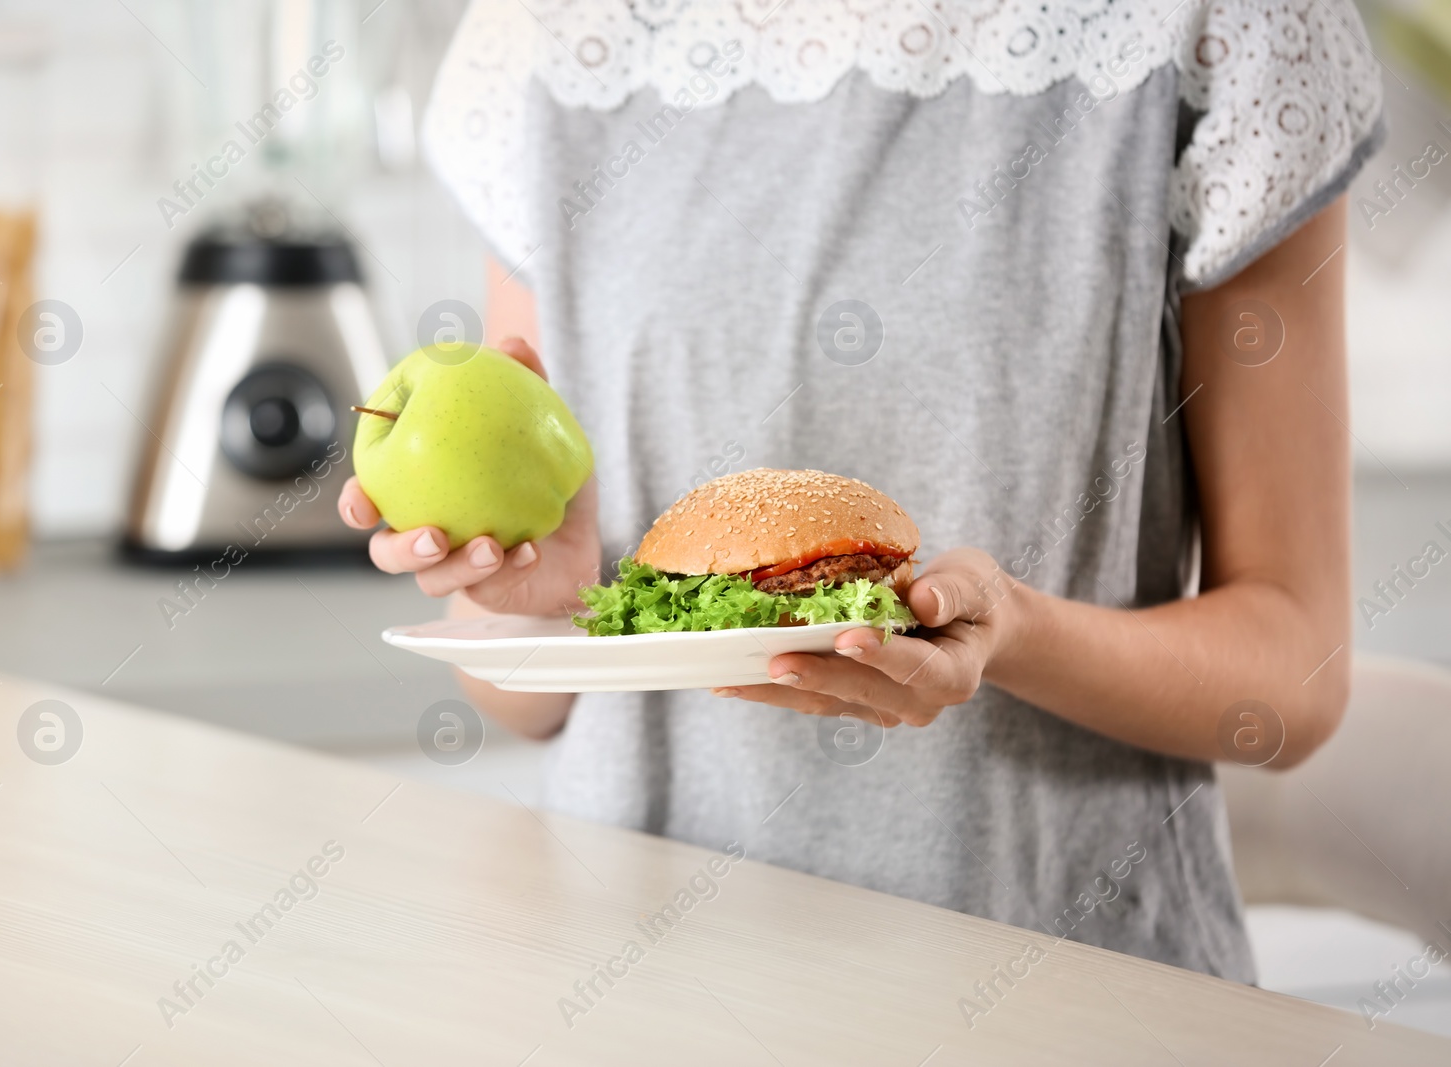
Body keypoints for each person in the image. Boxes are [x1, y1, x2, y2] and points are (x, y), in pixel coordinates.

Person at [338, 0, 1383, 983]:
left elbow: (1294, 675)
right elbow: (527, 703)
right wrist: (543, 599)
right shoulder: (551, 35)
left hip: (1063, 983)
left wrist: (1014, 635)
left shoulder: (1219, 27)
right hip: (643, 978)